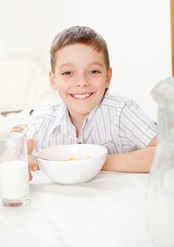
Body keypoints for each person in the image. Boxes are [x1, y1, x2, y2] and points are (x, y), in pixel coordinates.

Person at [23, 26, 157, 180]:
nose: (81, 82)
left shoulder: (121, 112)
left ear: (107, 77)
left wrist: (95, 161)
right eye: (68, 73)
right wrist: (20, 160)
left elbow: (167, 153)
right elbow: (12, 153)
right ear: (53, 80)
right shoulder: (42, 121)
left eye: (93, 71)